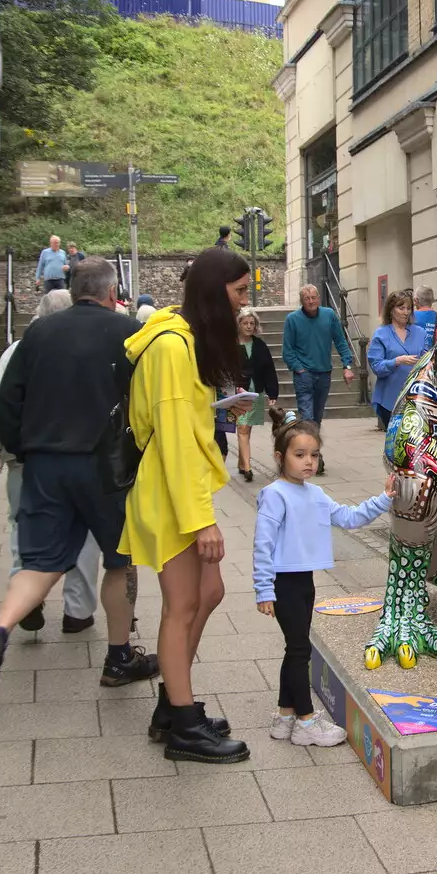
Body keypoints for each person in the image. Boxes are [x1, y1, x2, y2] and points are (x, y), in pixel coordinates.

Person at [0, 257, 156, 711]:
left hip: (45, 465)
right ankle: (119, 657)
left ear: (72, 288)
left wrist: (23, 451)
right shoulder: (126, 333)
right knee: (119, 561)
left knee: (40, 562)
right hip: (106, 468)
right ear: (112, 293)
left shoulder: (37, 335)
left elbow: (10, 400)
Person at [121, 247, 254, 762]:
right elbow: (175, 440)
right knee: (182, 606)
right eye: (240, 292)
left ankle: (172, 701)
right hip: (173, 493)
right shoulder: (174, 348)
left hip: (177, 487)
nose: (246, 304)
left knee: (210, 591)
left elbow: (175, 424)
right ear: (212, 291)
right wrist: (202, 523)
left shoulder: (179, 339)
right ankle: (182, 723)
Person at [254, 421, 395, 746]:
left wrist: (384, 499)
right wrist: (264, 588)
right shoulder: (274, 495)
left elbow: (349, 517)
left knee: (296, 648)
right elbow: (262, 544)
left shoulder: (315, 494)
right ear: (280, 456)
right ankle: (305, 720)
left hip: (305, 582)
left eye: (314, 455)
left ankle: (285, 715)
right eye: (299, 454)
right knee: (300, 649)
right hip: (283, 583)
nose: (308, 461)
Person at [0, 289, 103, 634]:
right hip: (84, 460)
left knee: (26, 533)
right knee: (85, 536)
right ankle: (78, 612)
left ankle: (26, 602)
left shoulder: (19, 350)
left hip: (28, 462)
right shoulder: (92, 347)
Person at [282, 284, 355, 474]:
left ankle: (309, 453)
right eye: (307, 298)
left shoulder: (329, 315)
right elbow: (287, 351)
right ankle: (315, 456)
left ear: (319, 298)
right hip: (304, 375)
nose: (311, 301)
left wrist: (347, 366)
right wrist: (299, 369)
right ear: (302, 301)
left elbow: (340, 341)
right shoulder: (293, 320)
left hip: (324, 373)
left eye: (314, 297)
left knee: (317, 417)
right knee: (307, 418)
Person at [367, 290, 427, 431]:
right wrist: (396, 361)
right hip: (389, 399)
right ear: (391, 310)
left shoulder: (420, 333)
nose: (405, 312)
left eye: (408, 308)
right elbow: (376, 366)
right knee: (396, 441)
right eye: (401, 308)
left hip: (415, 397)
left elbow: (427, 360)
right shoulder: (381, 334)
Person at [235, 307, 280, 482]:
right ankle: (247, 468)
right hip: (238, 393)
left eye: (251, 323)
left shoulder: (260, 345)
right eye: (245, 323)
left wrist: (272, 391)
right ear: (239, 324)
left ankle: (241, 462)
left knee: (247, 428)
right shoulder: (232, 344)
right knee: (243, 428)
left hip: (256, 391)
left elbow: (269, 369)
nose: (248, 327)